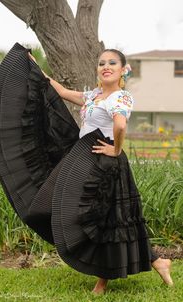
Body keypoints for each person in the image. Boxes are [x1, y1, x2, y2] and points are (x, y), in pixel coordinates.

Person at [29, 49, 173, 294]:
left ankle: (102, 280)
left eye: (112, 63)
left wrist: (116, 150)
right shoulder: (93, 95)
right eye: (102, 63)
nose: (106, 66)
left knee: (105, 220)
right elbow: (61, 92)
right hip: (87, 162)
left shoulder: (120, 97)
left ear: (121, 70)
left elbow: (120, 124)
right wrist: (34, 67)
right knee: (100, 218)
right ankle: (159, 262)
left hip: (106, 166)